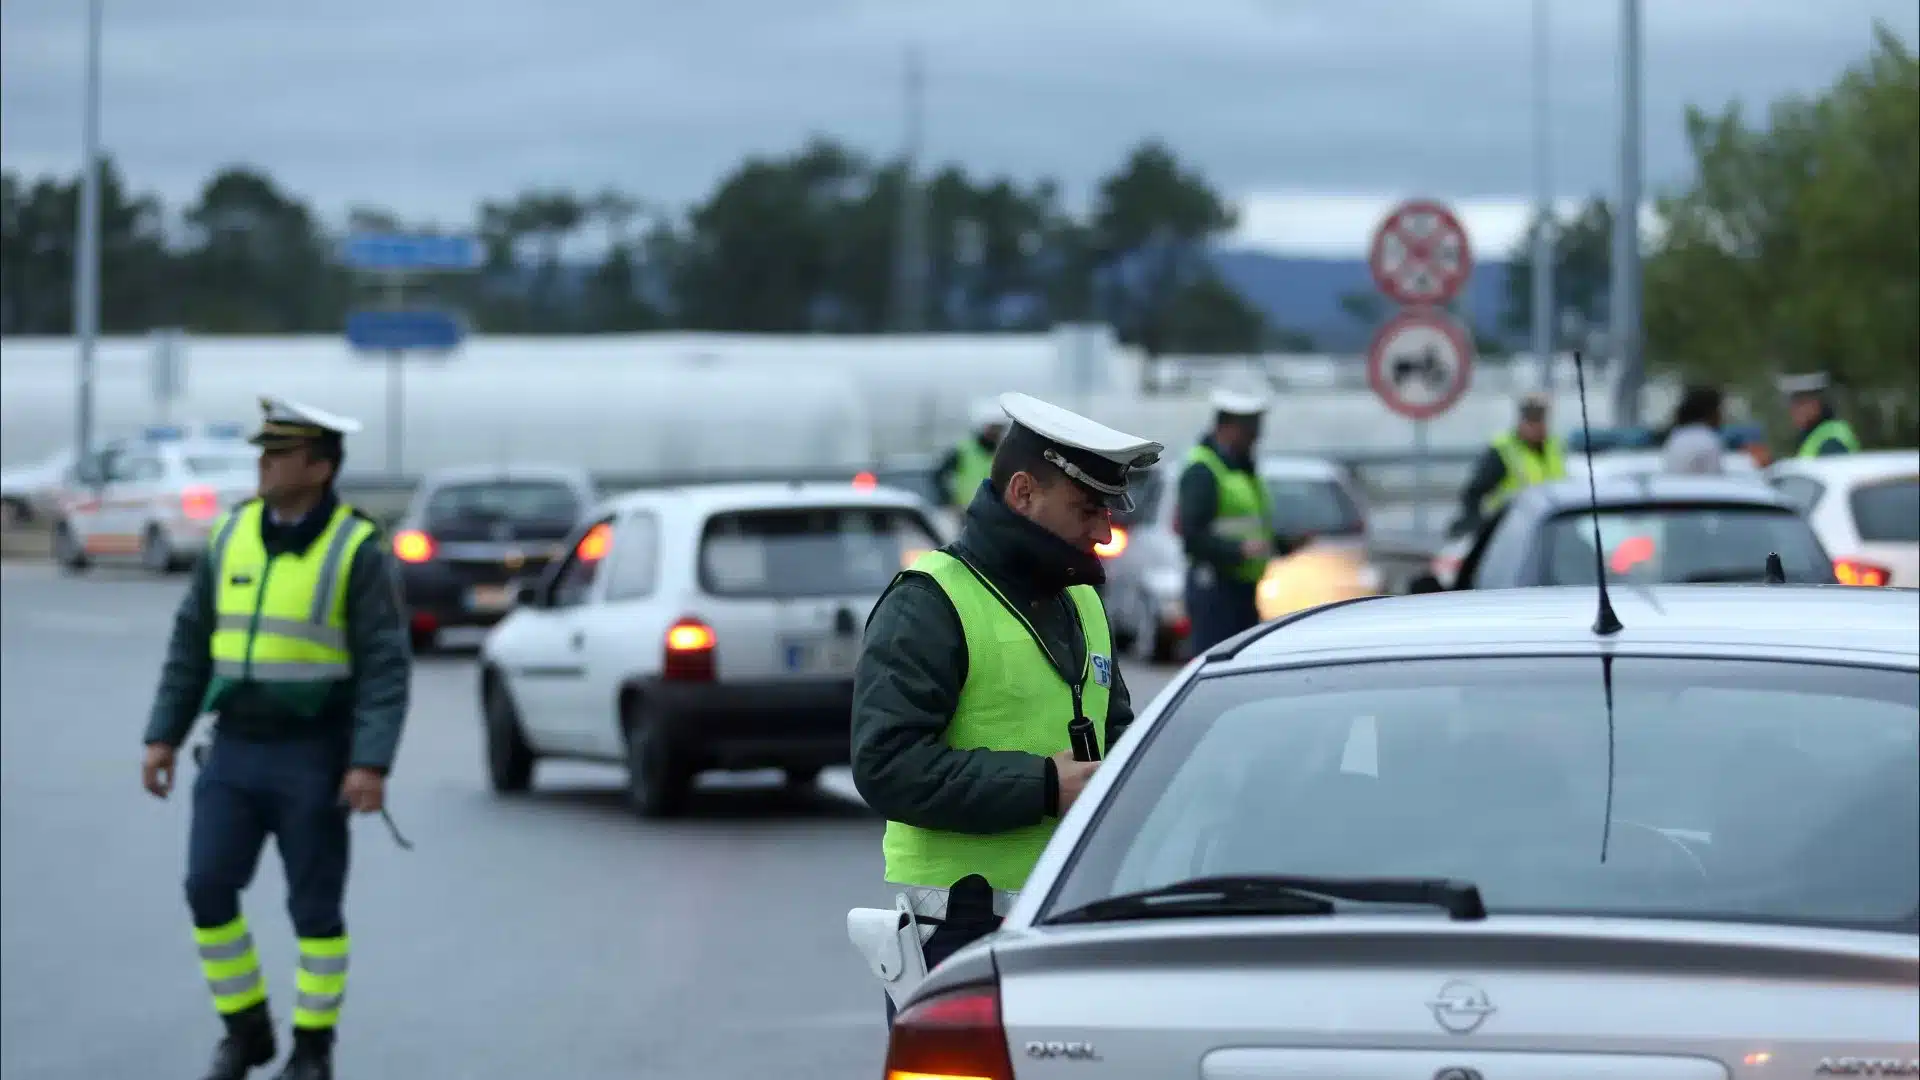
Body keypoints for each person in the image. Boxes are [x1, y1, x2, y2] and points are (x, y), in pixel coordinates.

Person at [851, 392, 1156, 1018]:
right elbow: (886, 766)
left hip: (1071, 923)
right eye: (1087, 509)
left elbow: (1120, 740)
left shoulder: (1084, 604)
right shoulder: (930, 602)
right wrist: (1044, 784)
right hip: (959, 941)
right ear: (1023, 493)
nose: (1105, 532)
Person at [140, 397, 411, 1080]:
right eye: (263, 452)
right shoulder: (230, 534)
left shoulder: (356, 547)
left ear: (319, 468)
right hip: (232, 749)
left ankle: (313, 1050)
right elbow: (190, 641)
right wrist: (162, 735)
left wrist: (370, 761)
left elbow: (385, 663)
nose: (262, 464)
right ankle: (247, 1030)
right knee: (207, 889)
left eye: (278, 454)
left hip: (314, 755)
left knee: (314, 909)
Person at [1176, 387, 1282, 653]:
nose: (1256, 437)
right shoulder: (1204, 469)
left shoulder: (1242, 470)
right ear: (1228, 427)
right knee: (1216, 664)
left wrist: (1284, 543)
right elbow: (1192, 536)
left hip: (1242, 589)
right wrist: (1238, 551)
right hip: (1215, 591)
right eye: (1250, 430)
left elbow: (1252, 527)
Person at [1451, 392, 1567, 537]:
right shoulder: (1503, 449)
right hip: (1508, 531)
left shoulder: (1554, 446)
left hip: (1549, 528)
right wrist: (1478, 527)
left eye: (1538, 419)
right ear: (1521, 420)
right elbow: (1474, 493)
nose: (1534, 426)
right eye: (1530, 420)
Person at [931, 398, 1008, 512]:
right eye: (993, 427)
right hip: (965, 513)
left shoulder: (1004, 452)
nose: (996, 432)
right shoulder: (962, 450)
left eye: (999, 428)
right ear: (983, 426)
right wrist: (948, 501)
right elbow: (938, 476)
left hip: (994, 513)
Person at [1779, 372, 1861, 457]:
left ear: (1816, 404)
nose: (1793, 411)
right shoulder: (1817, 434)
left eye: (1800, 404)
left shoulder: (1831, 440)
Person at [1661, 384, 1726, 475]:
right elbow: (1713, 478)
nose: (1722, 417)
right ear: (1711, 412)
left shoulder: (1678, 436)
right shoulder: (1707, 439)